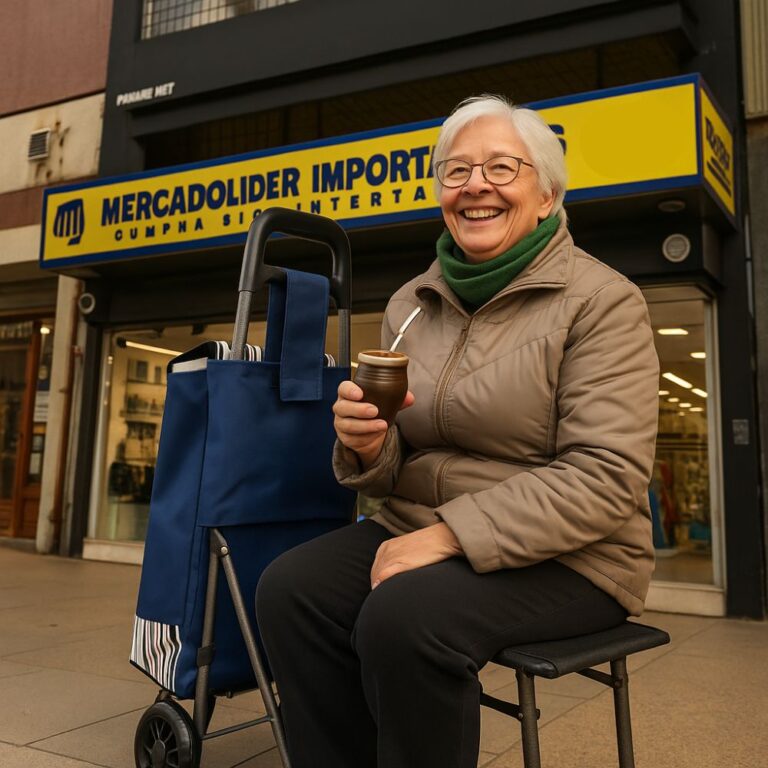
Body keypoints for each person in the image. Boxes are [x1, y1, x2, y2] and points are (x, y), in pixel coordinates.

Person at [255, 94, 660, 768]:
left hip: (577, 555)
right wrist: (368, 446)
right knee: (289, 590)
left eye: (503, 168)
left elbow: (607, 477)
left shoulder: (602, 302)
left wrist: (447, 537)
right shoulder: (413, 304)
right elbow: (399, 460)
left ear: (547, 196)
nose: (476, 185)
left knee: (405, 618)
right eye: (457, 171)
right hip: (423, 527)